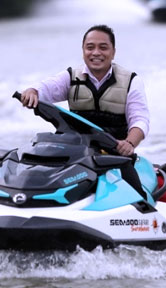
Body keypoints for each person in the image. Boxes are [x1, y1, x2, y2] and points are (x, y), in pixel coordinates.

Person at [20, 24, 150, 200]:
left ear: (113, 52)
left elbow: (140, 121)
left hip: (114, 154)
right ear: (83, 51)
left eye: (103, 47)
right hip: (76, 153)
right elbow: (45, 88)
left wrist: (129, 143)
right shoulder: (71, 76)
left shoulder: (131, 81)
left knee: (136, 196)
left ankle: (142, 209)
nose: (96, 52)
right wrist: (32, 91)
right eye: (90, 47)